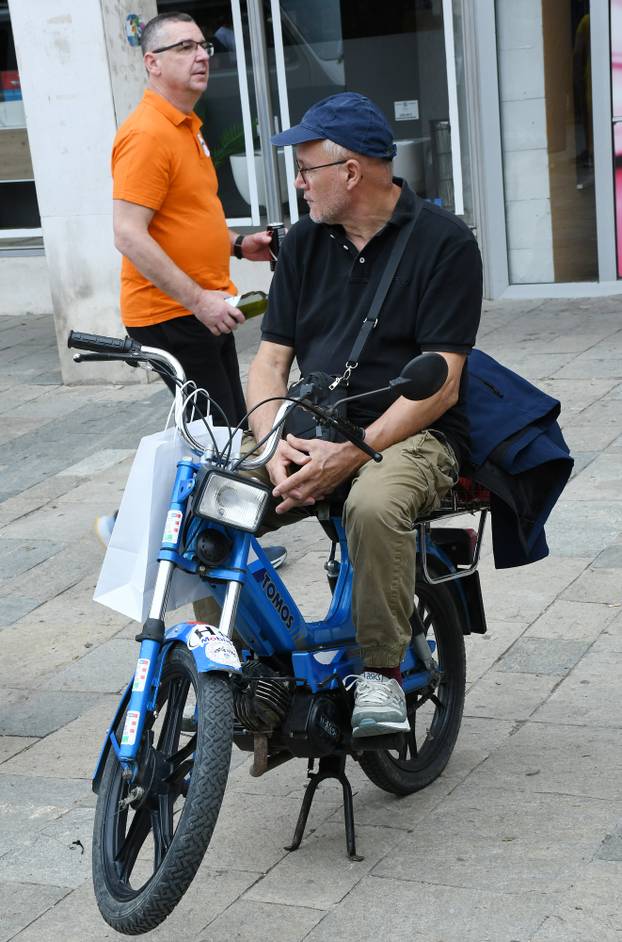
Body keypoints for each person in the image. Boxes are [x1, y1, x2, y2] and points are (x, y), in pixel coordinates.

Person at [244, 92, 482, 736]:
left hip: (412, 429)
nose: (298, 183)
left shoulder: (446, 243)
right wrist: (271, 444)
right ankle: (237, 671)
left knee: (374, 504)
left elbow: (442, 384)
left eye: (306, 168)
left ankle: (381, 672)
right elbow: (268, 363)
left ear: (351, 171)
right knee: (204, 502)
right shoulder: (299, 246)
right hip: (310, 422)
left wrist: (353, 453)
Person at [96, 11, 286, 569]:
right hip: (174, 314)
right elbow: (128, 234)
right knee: (219, 435)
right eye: (184, 48)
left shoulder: (186, 127)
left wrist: (235, 246)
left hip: (203, 310)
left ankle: (213, 540)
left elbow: (180, 222)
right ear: (152, 63)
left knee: (208, 434)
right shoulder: (147, 134)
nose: (201, 55)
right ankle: (164, 534)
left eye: (203, 45)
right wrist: (198, 299)